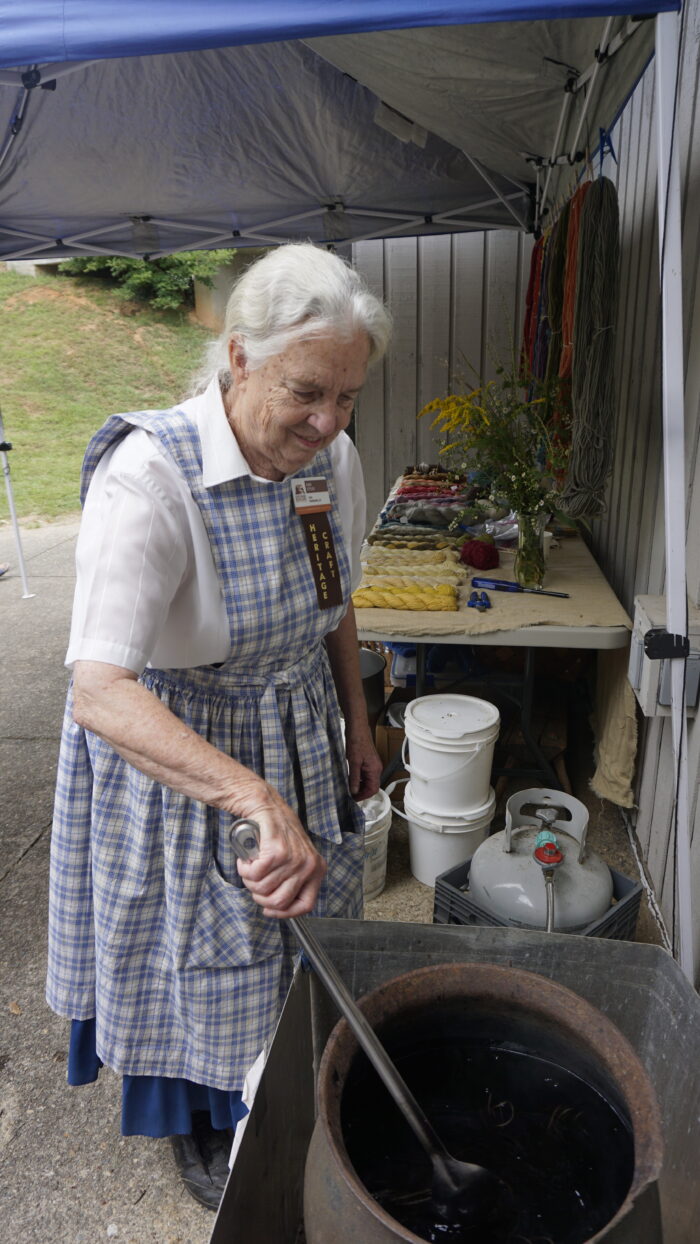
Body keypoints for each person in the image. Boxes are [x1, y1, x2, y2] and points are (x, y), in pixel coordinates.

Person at [47, 243, 392, 1210]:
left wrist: (359, 725)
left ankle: (287, 1081)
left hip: (298, 721)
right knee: (202, 943)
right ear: (239, 358)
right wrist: (247, 790)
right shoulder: (151, 476)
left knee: (301, 930)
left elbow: (338, 597)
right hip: (180, 741)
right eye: (308, 391)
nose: (329, 423)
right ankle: (198, 1118)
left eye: (349, 398)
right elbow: (100, 688)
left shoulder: (330, 459)